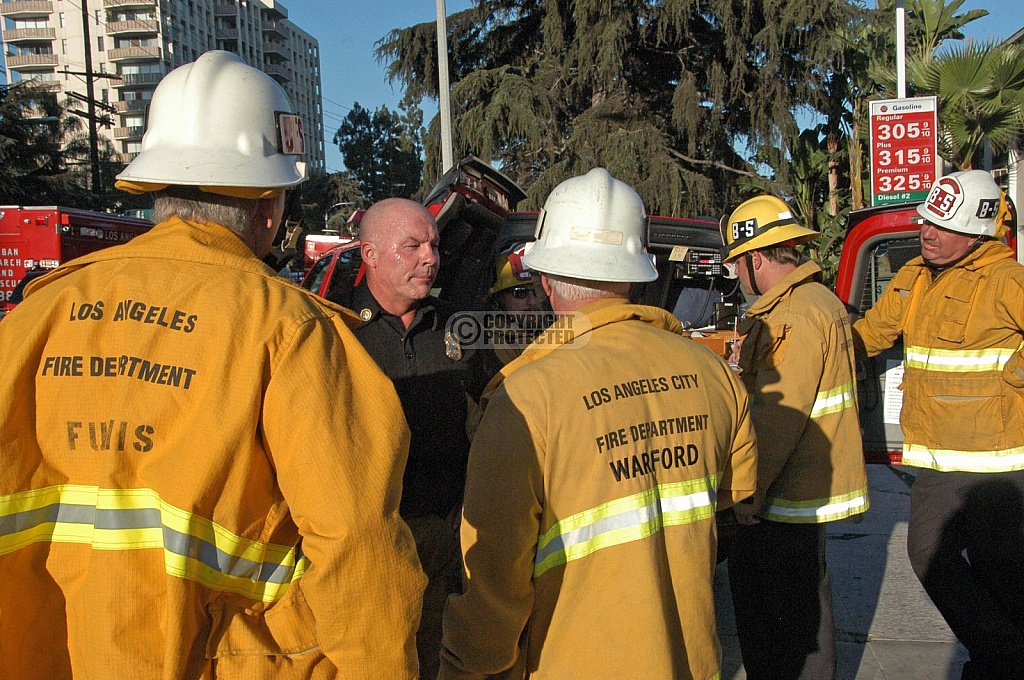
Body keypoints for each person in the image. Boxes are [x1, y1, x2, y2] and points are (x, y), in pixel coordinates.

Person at [0, 51, 425, 679]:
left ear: (157, 188)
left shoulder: (35, 317)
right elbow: (359, 548)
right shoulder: (290, 330)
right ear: (270, 206)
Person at [438, 168, 759, 679]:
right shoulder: (716, 374)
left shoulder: (524, 400)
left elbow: (493, 583)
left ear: (544, 279)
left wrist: (465, 667)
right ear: (635, 273)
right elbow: (733, 499)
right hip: (691, 663)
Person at [852, 170, 1024, 679]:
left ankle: (1000, 662)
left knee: (1001, 574)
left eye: (942, 226)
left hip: (999, 461)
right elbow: (872, 333)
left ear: (976, 235)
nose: (927, 232)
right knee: (930, 555)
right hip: (937, 458)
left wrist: (1014, 377)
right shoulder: (913, 277)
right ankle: (1004, 657)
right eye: (927, 220)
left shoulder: (1005, 281)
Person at [721, 194, 869, 680]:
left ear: (755, 259)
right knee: (804, 612)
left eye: (737, 266)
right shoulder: (814, 301)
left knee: (784, 628)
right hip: (801, 490)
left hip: (785, 495)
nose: (738, 278)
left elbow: (776, 419)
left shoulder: (793, 316)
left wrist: (746, 495)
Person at [341, 197, 482, 679]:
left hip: (452, 536)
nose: (430, 258)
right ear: (371, 255)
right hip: (378, 544)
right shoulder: (337, 332)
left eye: (434, 245)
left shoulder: (454, 328)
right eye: (413, 246)